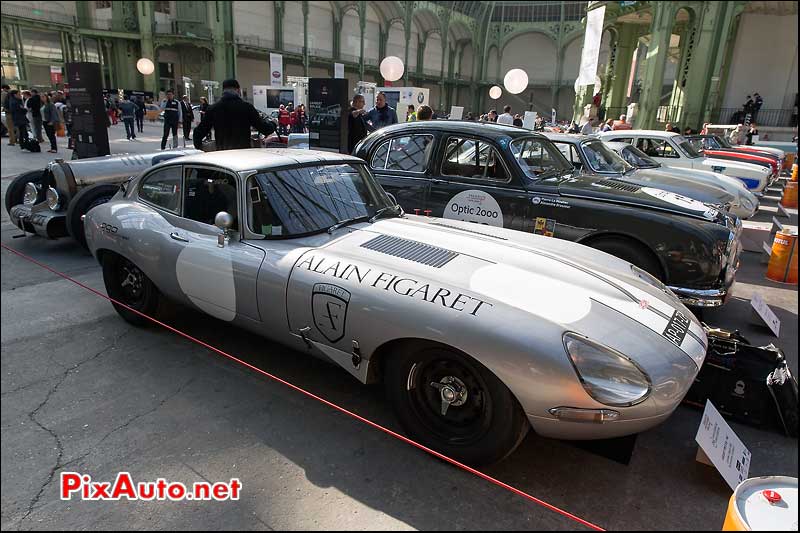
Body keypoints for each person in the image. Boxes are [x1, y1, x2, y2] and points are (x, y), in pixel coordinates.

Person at [192, 78, 276, 151]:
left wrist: (201, 146)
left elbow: (198, 132)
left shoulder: (213, 108)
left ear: (223, 91)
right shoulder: (247, 107)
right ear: (238, 90)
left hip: (222, 156)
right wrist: (273, 124)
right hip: (243, 154)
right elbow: (264, 129)